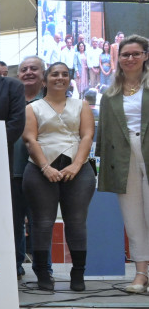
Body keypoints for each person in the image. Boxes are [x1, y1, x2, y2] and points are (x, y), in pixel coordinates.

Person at [22, 62, 95, 292]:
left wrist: (77, 165)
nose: (60, 78)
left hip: (78, 169)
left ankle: (78, 273)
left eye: (64, 74)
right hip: (40, 169)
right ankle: (43, 273)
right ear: (45, 80)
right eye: (54, 74)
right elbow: (30, 139)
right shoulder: (33, 108)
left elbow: (87, 136)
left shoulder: (81, 105)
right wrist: (45, 167)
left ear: (69, 80)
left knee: (76, 223)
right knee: (43, 223)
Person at [96, 35, 149, 294]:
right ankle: (141, 274)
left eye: (136, 53)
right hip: (123, 158)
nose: (130, 58)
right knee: (133, 217)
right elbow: (104, 134)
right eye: (126, 54)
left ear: (145, 56)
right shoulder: (110, 94)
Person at [13, 56, 48, 281]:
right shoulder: (11, 101)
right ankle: (15, 267)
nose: (28, 72)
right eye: (24, 69)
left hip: (43, 171)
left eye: (34, 69)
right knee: (15, 223)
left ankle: (44, 270)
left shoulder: (51, 102)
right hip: (14, 170)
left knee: (41, 222)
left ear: (43, 74)